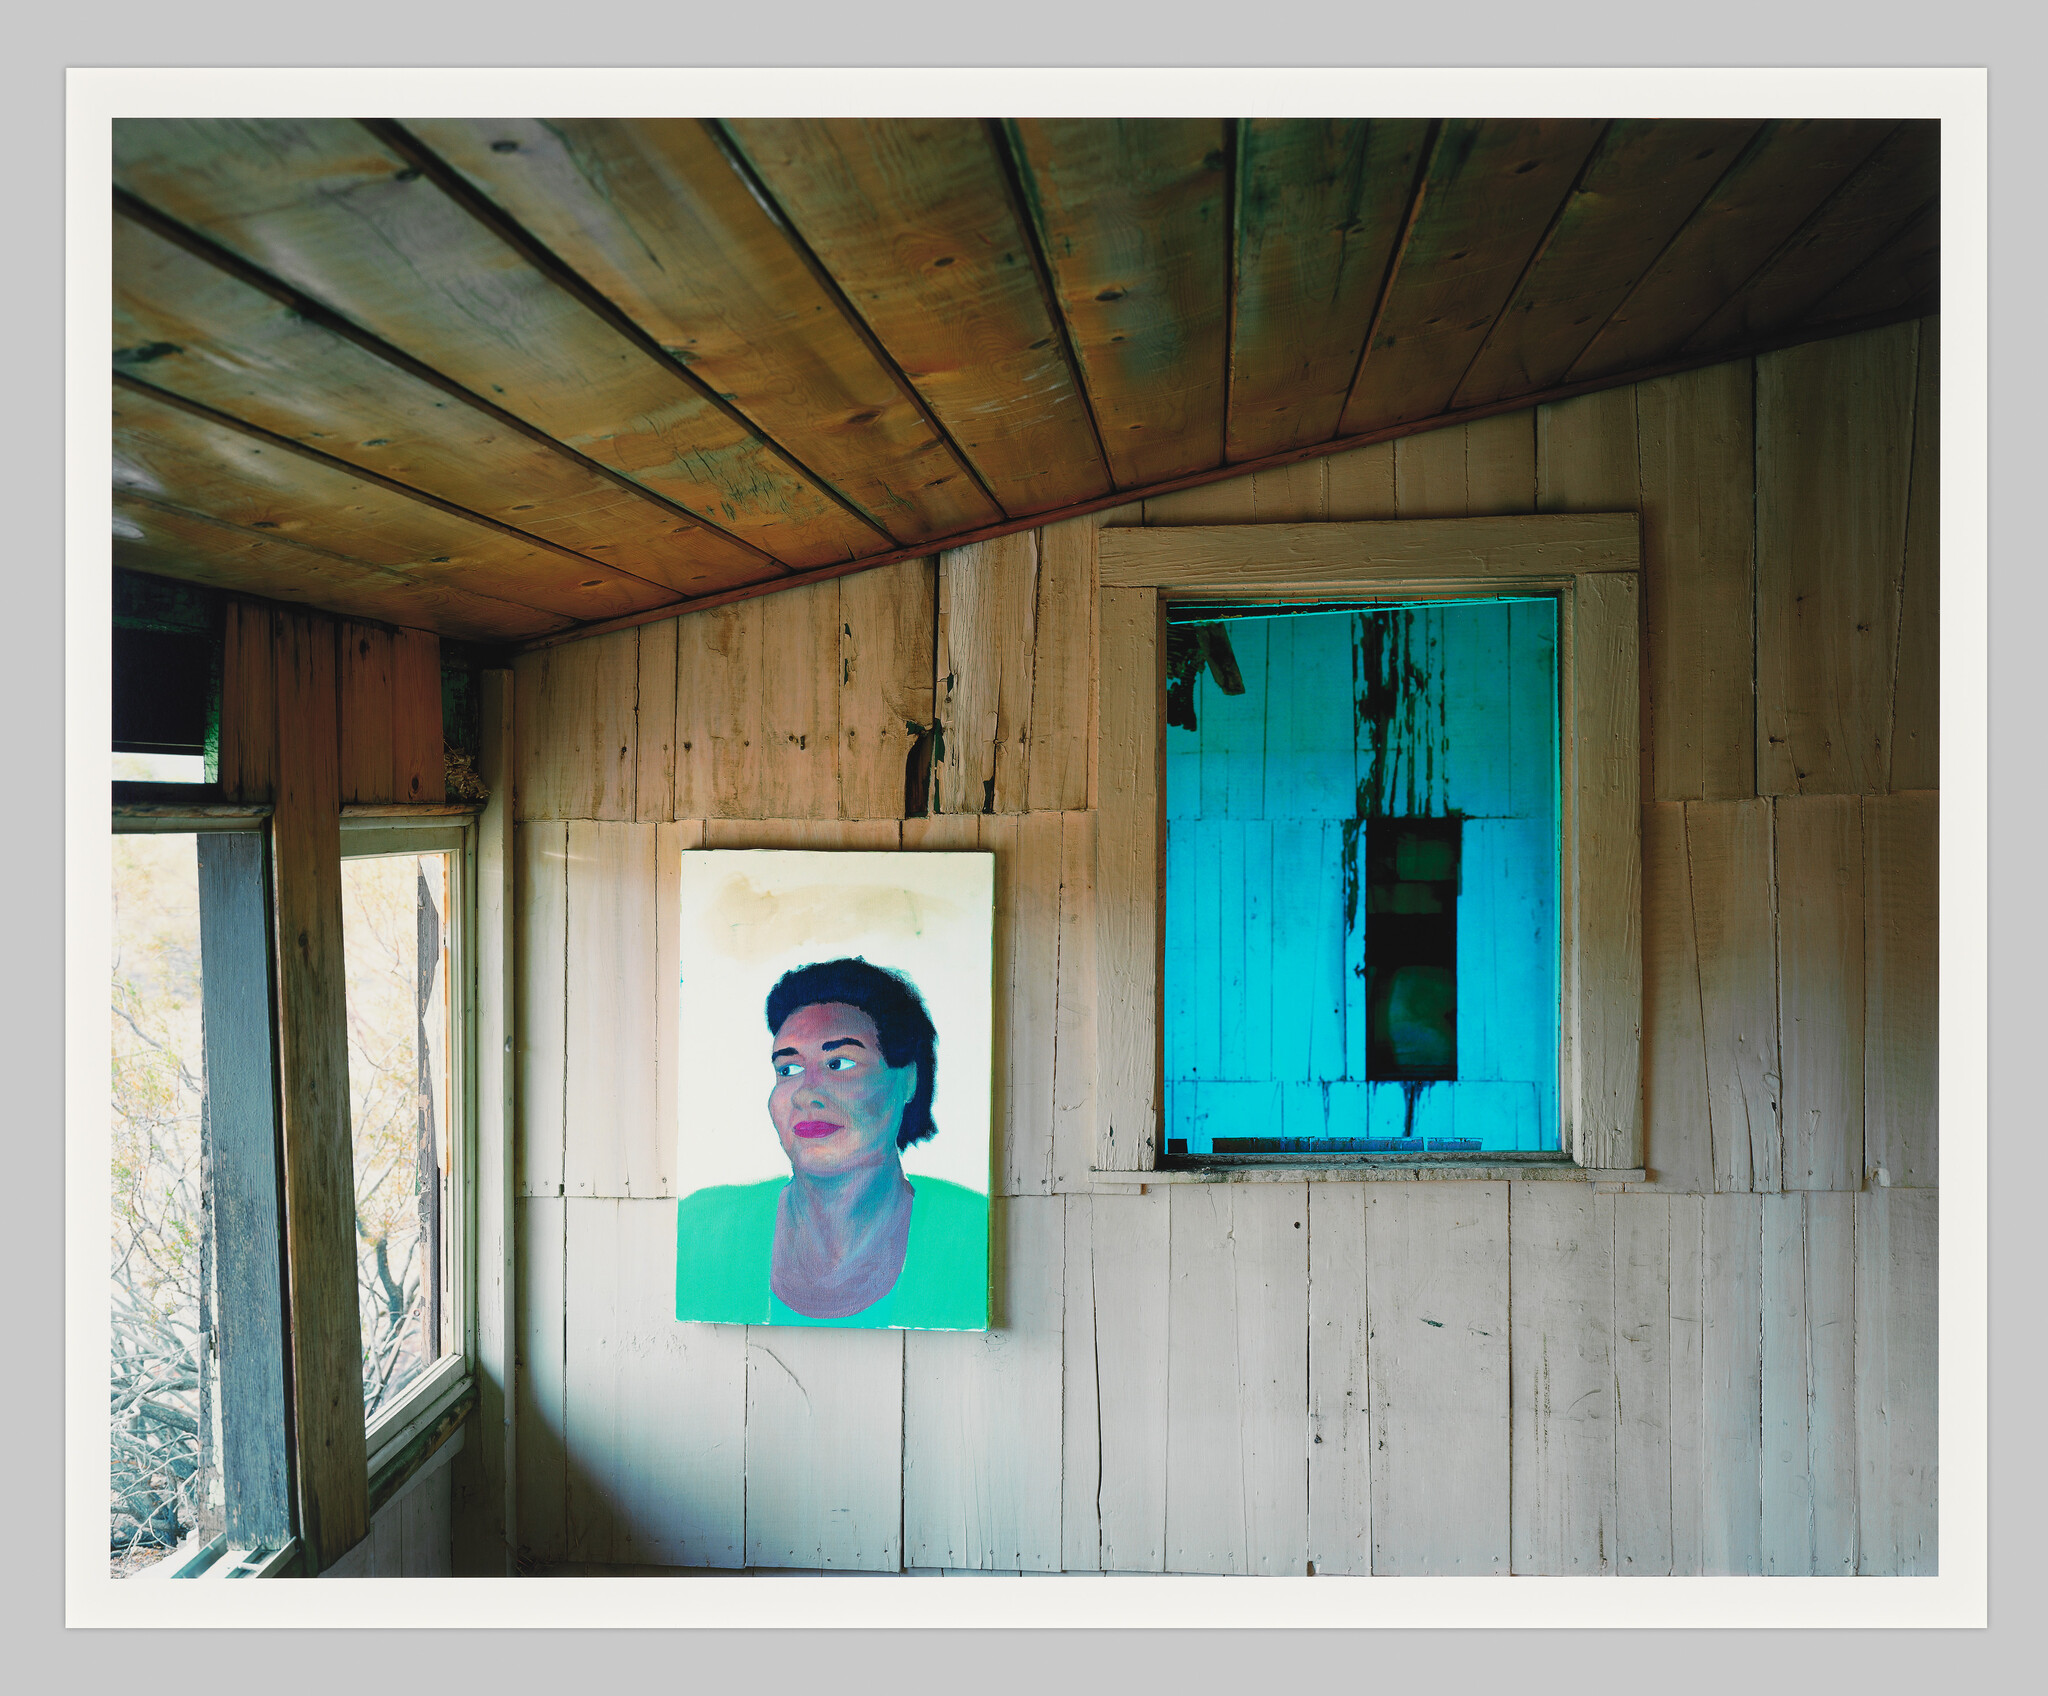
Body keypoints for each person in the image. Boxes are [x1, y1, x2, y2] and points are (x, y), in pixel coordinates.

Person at [673, 957, 987, 1329]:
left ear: (908, 1080)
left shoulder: (971, 1232)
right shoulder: (705, 1225)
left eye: (839, 1063)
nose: (806, 1093)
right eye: (788, 1069)